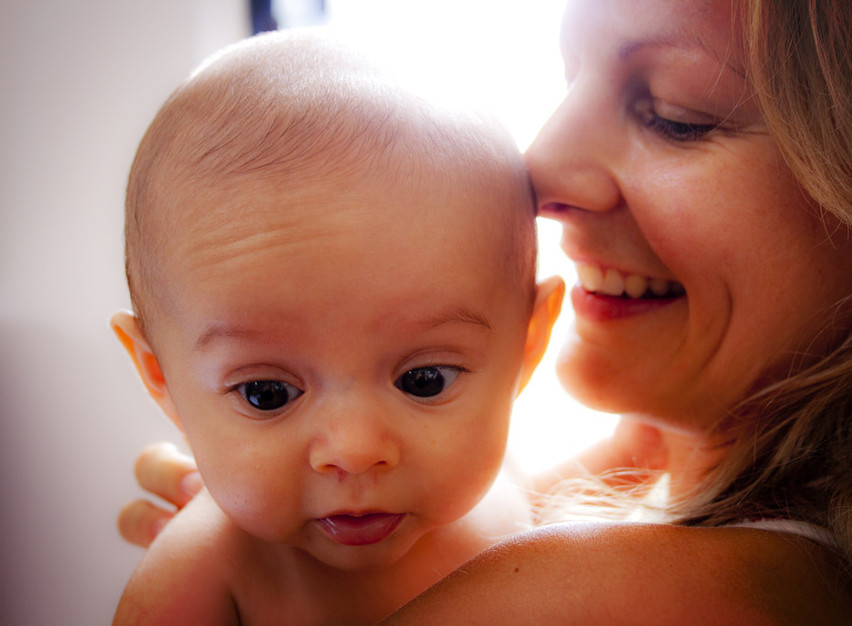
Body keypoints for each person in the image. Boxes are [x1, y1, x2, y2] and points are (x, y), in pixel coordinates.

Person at [120, 0, 852, 623]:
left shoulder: (637, 594)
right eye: (268, 393)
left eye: (676, 113)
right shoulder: (650, 466)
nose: (540, 163)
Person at [109, 29, 564, 625]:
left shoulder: (506, 488)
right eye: (267, 394)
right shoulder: (202, 572)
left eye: (423, 380)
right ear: (159, 376)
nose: (354, 450)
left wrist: (632, 449)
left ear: (525, 345)